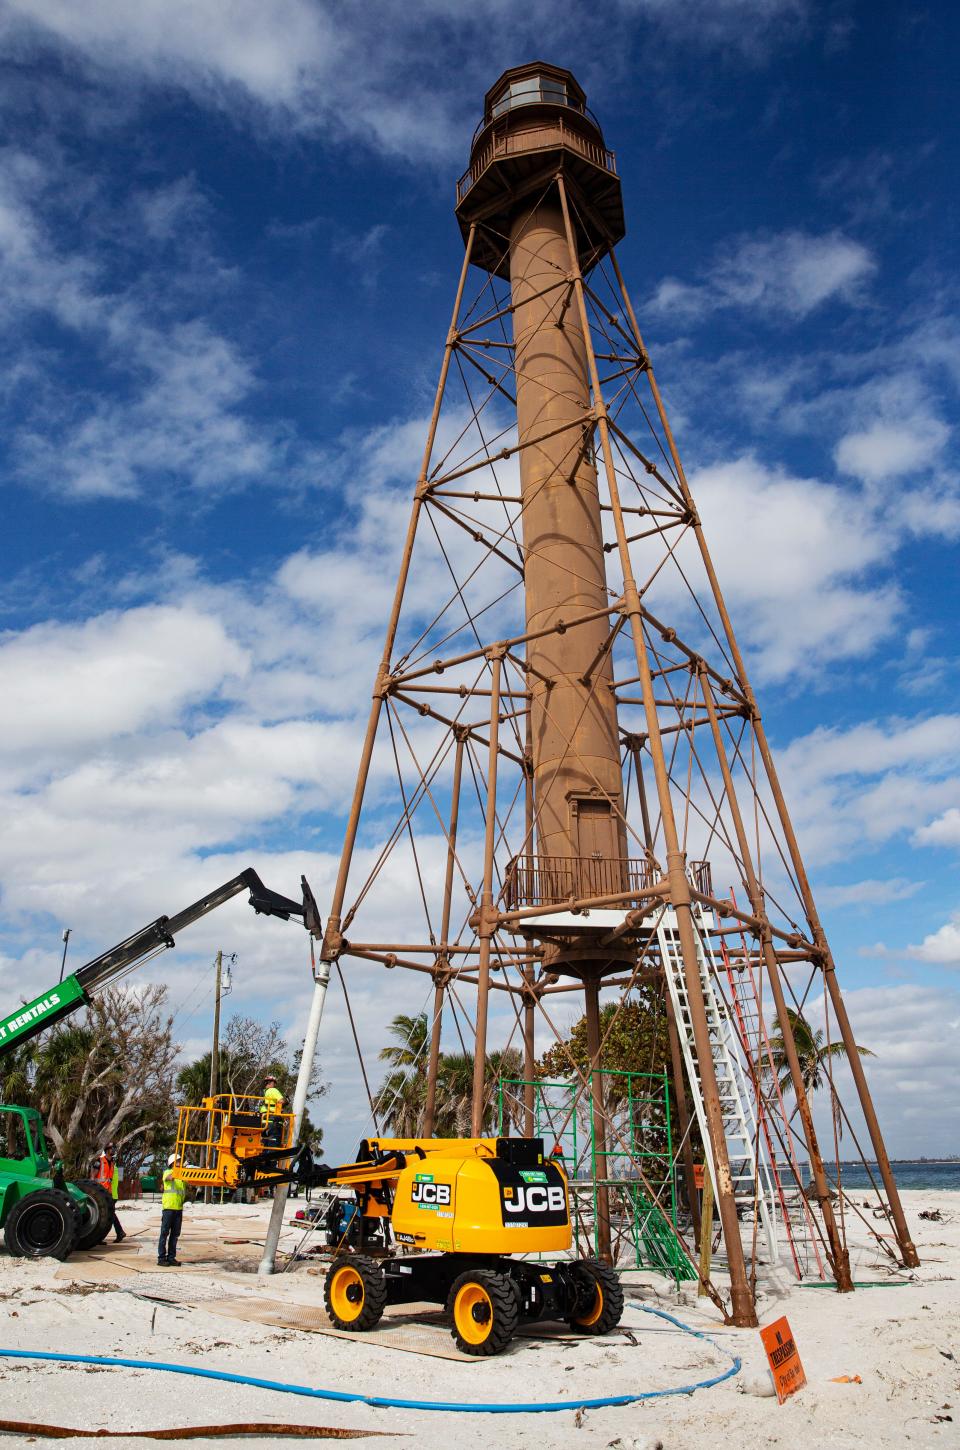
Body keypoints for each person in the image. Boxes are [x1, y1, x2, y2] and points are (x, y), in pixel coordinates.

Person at [158, 1153, 186, 1267]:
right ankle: (161, 1258)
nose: (181, 1163)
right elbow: (169, 1178)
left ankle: (171, 1258)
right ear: (172, 1163)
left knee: (175, 1235)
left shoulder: (181, 1177)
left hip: (178, 1209)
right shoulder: (168, 1172)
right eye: (178, 1161)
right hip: (168, 1208)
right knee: (164, 1233)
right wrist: (178, 1172)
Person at [96, 1141, 125, 1242]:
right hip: (100, 1193)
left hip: (109, 1194)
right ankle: (118, 1232)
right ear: (107, 1150)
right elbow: (93, 1177)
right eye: (112, 1148)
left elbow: (113, 1180)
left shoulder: (113, 1164)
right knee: (107, 1215)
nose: (114, 1150)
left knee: (107, 1215)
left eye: (114, 1148)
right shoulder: (99, 1161)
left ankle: (118, 1232)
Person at [260, 1074, 284, 1147]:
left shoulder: (263, 1092)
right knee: (273, 1147)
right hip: (273, 1123)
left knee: (264, 1145)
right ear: (271, 1083)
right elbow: (281, 1101)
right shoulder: (273, 1090)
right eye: (274, 1083)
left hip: (263, 1122)